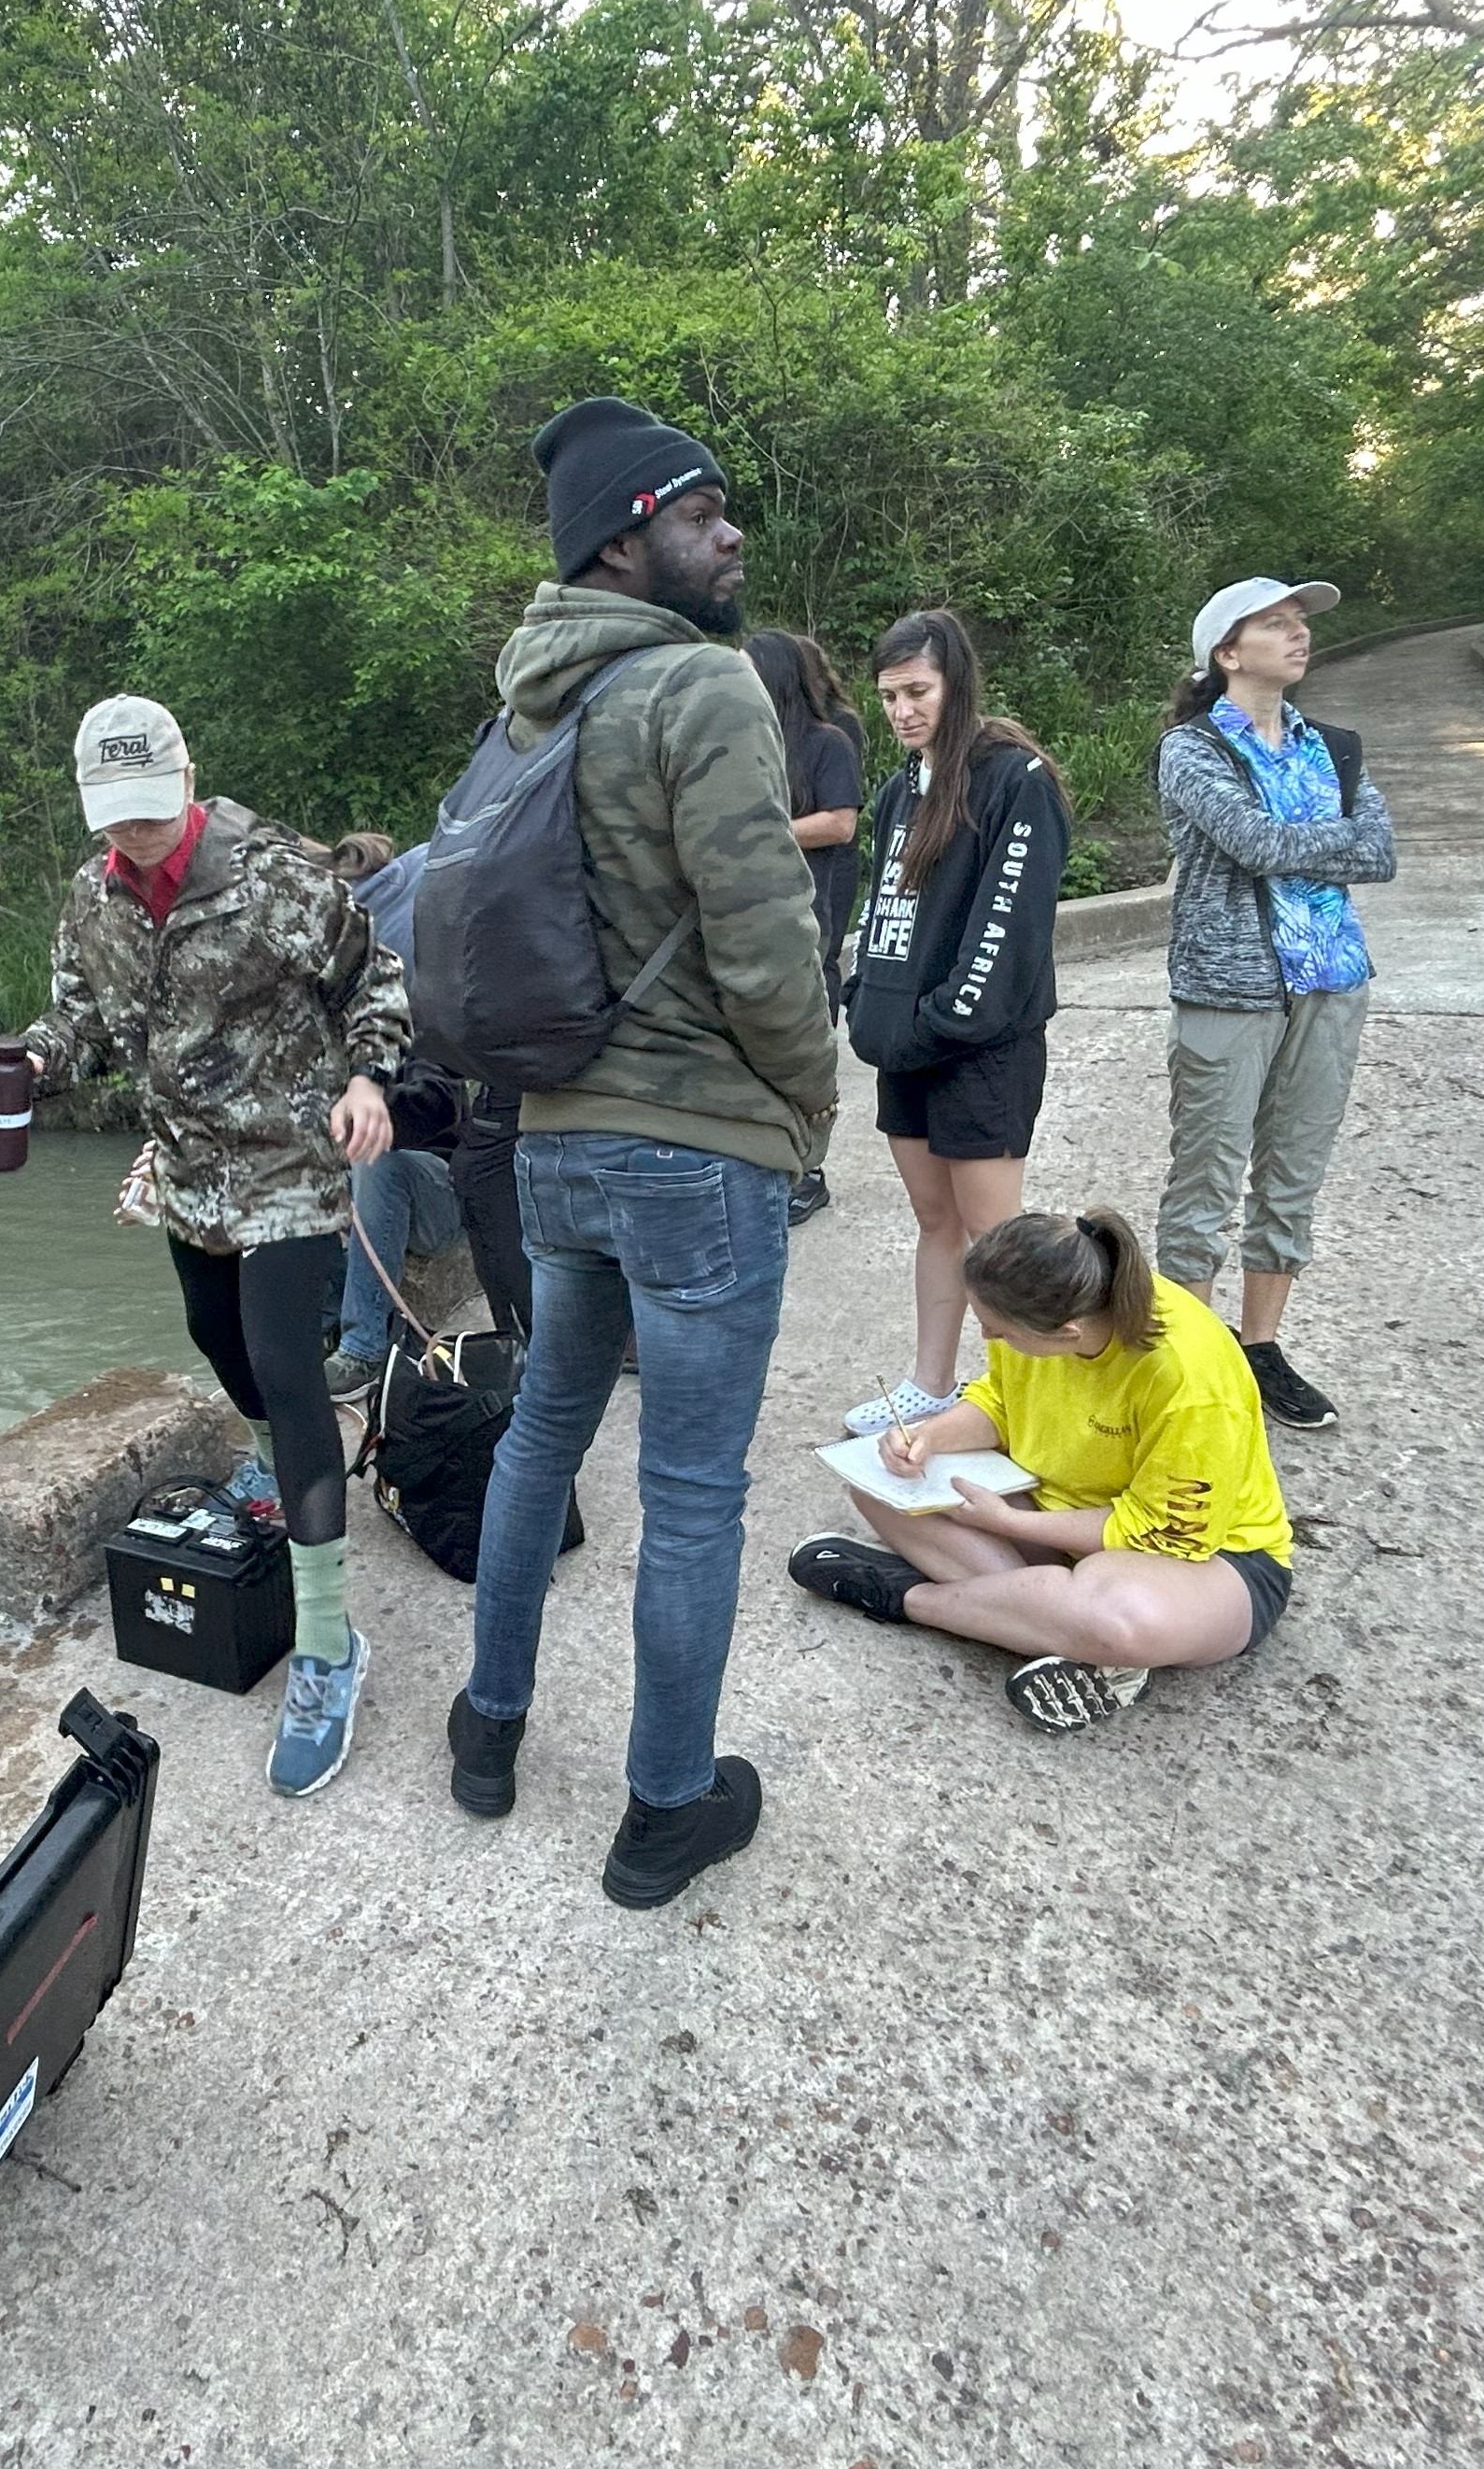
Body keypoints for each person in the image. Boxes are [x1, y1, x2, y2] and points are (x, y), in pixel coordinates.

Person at [444, 395, 837, 1911]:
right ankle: (666, 1806)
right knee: (687, 1490)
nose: (731, 530)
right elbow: (764, 943)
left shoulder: (521, 709)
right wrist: (806, 1105)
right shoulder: (702, 685)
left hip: (550, 1140)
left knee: (542, 1430)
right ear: (625, 535)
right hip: (691, 1148)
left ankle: (488, 1731)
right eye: (700, 507)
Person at [14, 696, 406, 1794]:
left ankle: (328, 1645)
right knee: (217, 1341)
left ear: (188, 779)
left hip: (290, 1163)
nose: (135, 834)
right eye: (115, 817)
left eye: (152, 810)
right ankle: (313, 1448)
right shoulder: (92, 900)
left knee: (282, 1362)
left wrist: (371, 1076)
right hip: (190, 1174)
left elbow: (375, 977)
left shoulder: (275, 875)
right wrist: (31, 1062)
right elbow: (80, 1021)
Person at [785, 1207, 1293, 1734]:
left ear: (1068, 1334)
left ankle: (910, 1597)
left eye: (998, 1331)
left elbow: (1163, 1533)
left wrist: (1007, 1524)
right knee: (877, 1485)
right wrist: (928, 1438)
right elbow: (1001, 1402)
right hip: (1054, 1513)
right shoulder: (1056, 1302)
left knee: (1116, 1612)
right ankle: (1056, 1627)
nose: (986, 1336)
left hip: (1208, 1561)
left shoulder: (1189, 1381)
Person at [1154, 576, 1398, 1431]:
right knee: (1205, 1180)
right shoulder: (1192, 749)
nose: (1299, 635)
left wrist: (1303, 846)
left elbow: (1383, 855)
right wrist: (1327, 841)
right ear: (1228, 652)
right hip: (1230, 987)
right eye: (1277, 624)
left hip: (1332, 981)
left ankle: (1259, 1351)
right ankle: (1186, 1361)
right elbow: (1256, 843)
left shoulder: (1337, 745)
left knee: (1293, 1176)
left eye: (1301, 624)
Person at [838, 609, 1072, 1436]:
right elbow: (884, 911)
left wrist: (942, 1019)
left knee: (993, 1236)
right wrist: (864, 995)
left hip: (982, 1053)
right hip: (905, 1051)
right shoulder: (900, 791)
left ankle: (1029, 1408)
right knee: (935, 1224)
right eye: (889, 696)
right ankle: (931, 1385)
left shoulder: (1017, 779)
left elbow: (1009, 927)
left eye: (918, 691)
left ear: (956, 683)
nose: (902, 710)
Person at [316, 830, 506, 1390]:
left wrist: (377, 1111)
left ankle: (364, 1346)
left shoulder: (408, 996)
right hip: (361, 1209)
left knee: (379, 1160)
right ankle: (320, 1325)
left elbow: (442, 1097)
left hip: (441, 1192)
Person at [751, 626, 867, 1226]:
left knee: (806, 1040)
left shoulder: (828, 741)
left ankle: (811, 1169)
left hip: (812, 908)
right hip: (757, 914)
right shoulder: (747, 742)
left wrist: (760, 833)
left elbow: (841, 824)